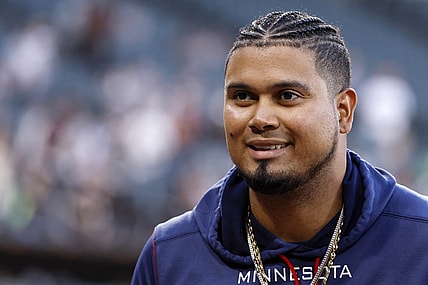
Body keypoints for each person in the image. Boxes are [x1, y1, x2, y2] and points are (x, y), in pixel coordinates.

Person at [131, 10, 428, 284]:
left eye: (287, 95)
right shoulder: (169, 256)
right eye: (243, 96)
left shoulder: (420, 239)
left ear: (343, 112)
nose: (260, 119)